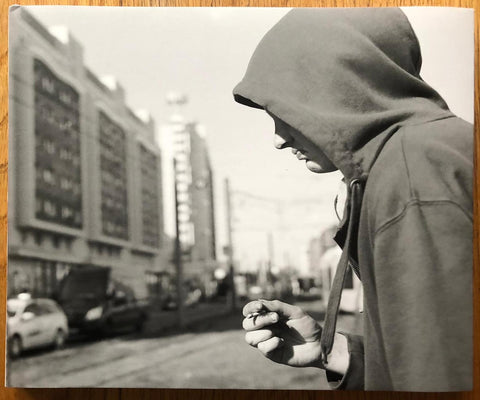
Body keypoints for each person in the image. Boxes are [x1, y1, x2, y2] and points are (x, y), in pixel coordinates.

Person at [233, 8, 472, 391]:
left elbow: (444, 378)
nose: (278, 138)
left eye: (284, 109)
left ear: (335, 87)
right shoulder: (417, 155)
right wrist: (332, 350)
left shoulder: (413, 174)